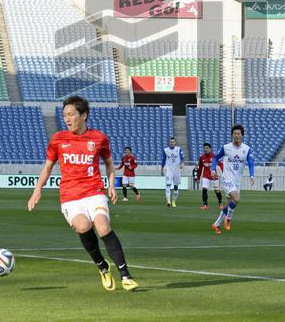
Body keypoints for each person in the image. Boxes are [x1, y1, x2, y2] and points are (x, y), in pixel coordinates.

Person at [27, 96, 138, 292]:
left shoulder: (99, 138)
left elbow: (109, 163)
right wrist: (37, 190)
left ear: (84, 115)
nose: (67, 119)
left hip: (94, 190)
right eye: (64, 115)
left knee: (103, 226)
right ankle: (102, 266)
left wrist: (111, 185)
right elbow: (47, 167)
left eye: (71, 114)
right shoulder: (58, 139)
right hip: (70, 195)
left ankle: (126, 275)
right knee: (83, 226)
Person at [211, 125, 255, 234]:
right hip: (227, 179)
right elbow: (215, 158)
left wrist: (252, 175)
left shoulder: (247, 149)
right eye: (234, 133)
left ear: (242, 135)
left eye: (238, 134)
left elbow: (250, 162)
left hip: (237, 181)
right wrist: (213, 170)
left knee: (229, 204)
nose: (236, 135)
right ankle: (228, 219)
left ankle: (216, 224)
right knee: (236, 199)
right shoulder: (226, 147)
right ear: (232, 135)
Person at [196, 143, 223, 210]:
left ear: (210, 149)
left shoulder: (215, 156)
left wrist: (224, 173)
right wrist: (198, 177)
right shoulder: (202, 157)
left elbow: (221, 164)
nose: (205, 149)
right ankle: (205, 205)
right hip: (205, 176)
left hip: (214, 176)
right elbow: (200, 168)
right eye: (204, 148)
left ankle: (220, 203)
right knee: (204, 189)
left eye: (207, 148)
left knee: (217, 190)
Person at [161, 137, 184, 208]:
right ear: (169, 143)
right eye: (171, 142)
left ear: (175, 143)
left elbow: (182, 158)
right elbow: (163, 160)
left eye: (173, 142)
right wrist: (161, 169)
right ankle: (168, 201)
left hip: (177, 171)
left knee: (176, 187)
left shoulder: (179, 149)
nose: (172, 143)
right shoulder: (165, 150)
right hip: (169, 170)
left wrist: (182, 164)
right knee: (168, 185)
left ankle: (173, 201)